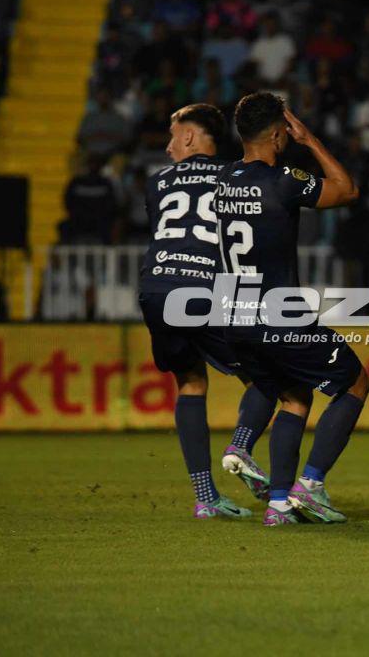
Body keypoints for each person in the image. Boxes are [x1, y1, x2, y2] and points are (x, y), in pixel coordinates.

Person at [213, 93, 369, 527]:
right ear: (280, 134)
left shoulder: (224, 179)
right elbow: (347, 190)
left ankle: (280, 503)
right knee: (354, 382)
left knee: (295, 396)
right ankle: (312, 486)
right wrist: (312, 141)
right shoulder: (282, 178)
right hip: (278, 313)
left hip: (233, 318)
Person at [136, 103, 285, 519]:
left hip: (156, 288)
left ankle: (205, 498)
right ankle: (240, 445)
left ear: (188, 136)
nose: (168, 147)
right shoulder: (233, 175)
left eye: (172, 136)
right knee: (269, 374)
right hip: (207, 288)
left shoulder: (156, 182)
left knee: (189, 384)